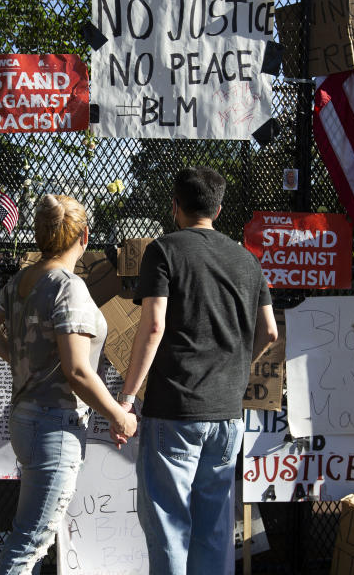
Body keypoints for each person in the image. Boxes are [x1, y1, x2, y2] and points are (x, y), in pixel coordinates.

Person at [117, 166, 278, 575]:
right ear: (219, 209)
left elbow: (153, 326)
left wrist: (128, 397)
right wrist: (237, 372)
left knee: (170, 526)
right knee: (214, 531)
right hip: (227, 414)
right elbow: (270, 332)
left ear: (176, 206)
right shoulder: (247, 261)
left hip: (174, 409)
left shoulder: (164, 250)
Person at [0, 194, 138, 575]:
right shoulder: (69, 287)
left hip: (27, 417)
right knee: (30, 542)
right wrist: (118, 415)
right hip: (54, 424)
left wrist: (18, 359)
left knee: (31, 536)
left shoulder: (22, 281)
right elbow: (78, 371)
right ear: (84, 236)